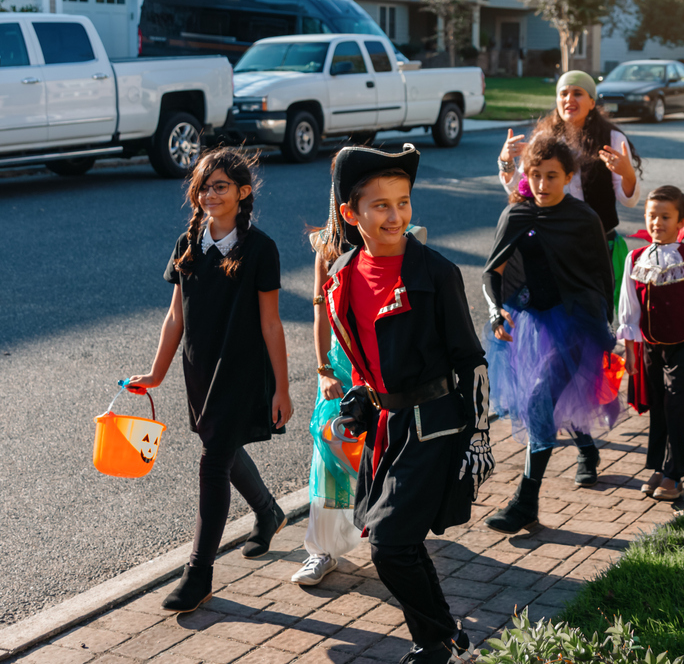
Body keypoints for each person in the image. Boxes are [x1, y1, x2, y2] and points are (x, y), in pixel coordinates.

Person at [324, 143, 491, 664]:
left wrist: (480, 436)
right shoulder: (343, 275)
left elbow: (471, 359)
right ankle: (443, 642)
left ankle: (441, 639)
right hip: (387, 429)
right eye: (381, 205)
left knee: (390, 545)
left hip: (434, 426)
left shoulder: (437, 273)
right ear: (352, 215)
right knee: (397, 539)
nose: (396, 215)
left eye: (403, 202)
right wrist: (363, 400)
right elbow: (368, 356)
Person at [127, 147, 292, 614]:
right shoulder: (186, 243)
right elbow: (175, 317)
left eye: (221, 186)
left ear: (243, 192)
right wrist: (157, 373)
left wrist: (282, 386)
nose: (209, 194)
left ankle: (198, 575)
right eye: (203, 186)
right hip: (198, 369)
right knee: (218, 443)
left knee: (213, 459)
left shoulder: (261, 249)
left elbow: (271, 324)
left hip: (240, 370)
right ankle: (267, 511)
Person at [482, 134, 619, 533]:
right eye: (536, 175)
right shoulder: (517, 215)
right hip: (531, 322)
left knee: (543, 397)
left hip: (577, 323)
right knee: (557, 397)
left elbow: (601, 275)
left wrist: (606, 326)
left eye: (552, 177)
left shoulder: (584, 218)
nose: (542, 185)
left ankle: (525, 503)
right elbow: (493, 270)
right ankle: (588, 450)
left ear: (569, 177)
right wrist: (495, 313)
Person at [296, 198, 429, 586]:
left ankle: (392, 531)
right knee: (327, 452)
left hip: (384, 367)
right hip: (340, 364)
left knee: (386, 455)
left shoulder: (405, 239)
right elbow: (321, 311)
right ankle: (321, 550)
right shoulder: (327, 244)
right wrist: (323, 370)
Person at [617, 186, 684, 501]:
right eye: (652, 215)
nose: (657, 223)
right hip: (650, 347)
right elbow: (630, 309)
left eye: (666, 217)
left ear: (681, 221)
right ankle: (657, 467)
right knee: (658, 408)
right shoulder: (635, 259)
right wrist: (631, 351)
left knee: (677, 407)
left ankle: (674, 474)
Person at [497, 70, 641, 304]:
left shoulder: (612, 139)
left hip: (597, 247)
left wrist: (628, 174)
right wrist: (506, 161)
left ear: (592, 102)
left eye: (578, 93)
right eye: (563, 93)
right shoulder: (544, 137)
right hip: (552, 245)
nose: (569, 99)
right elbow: (522, 188)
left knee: (593, 316)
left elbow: (629, 200)